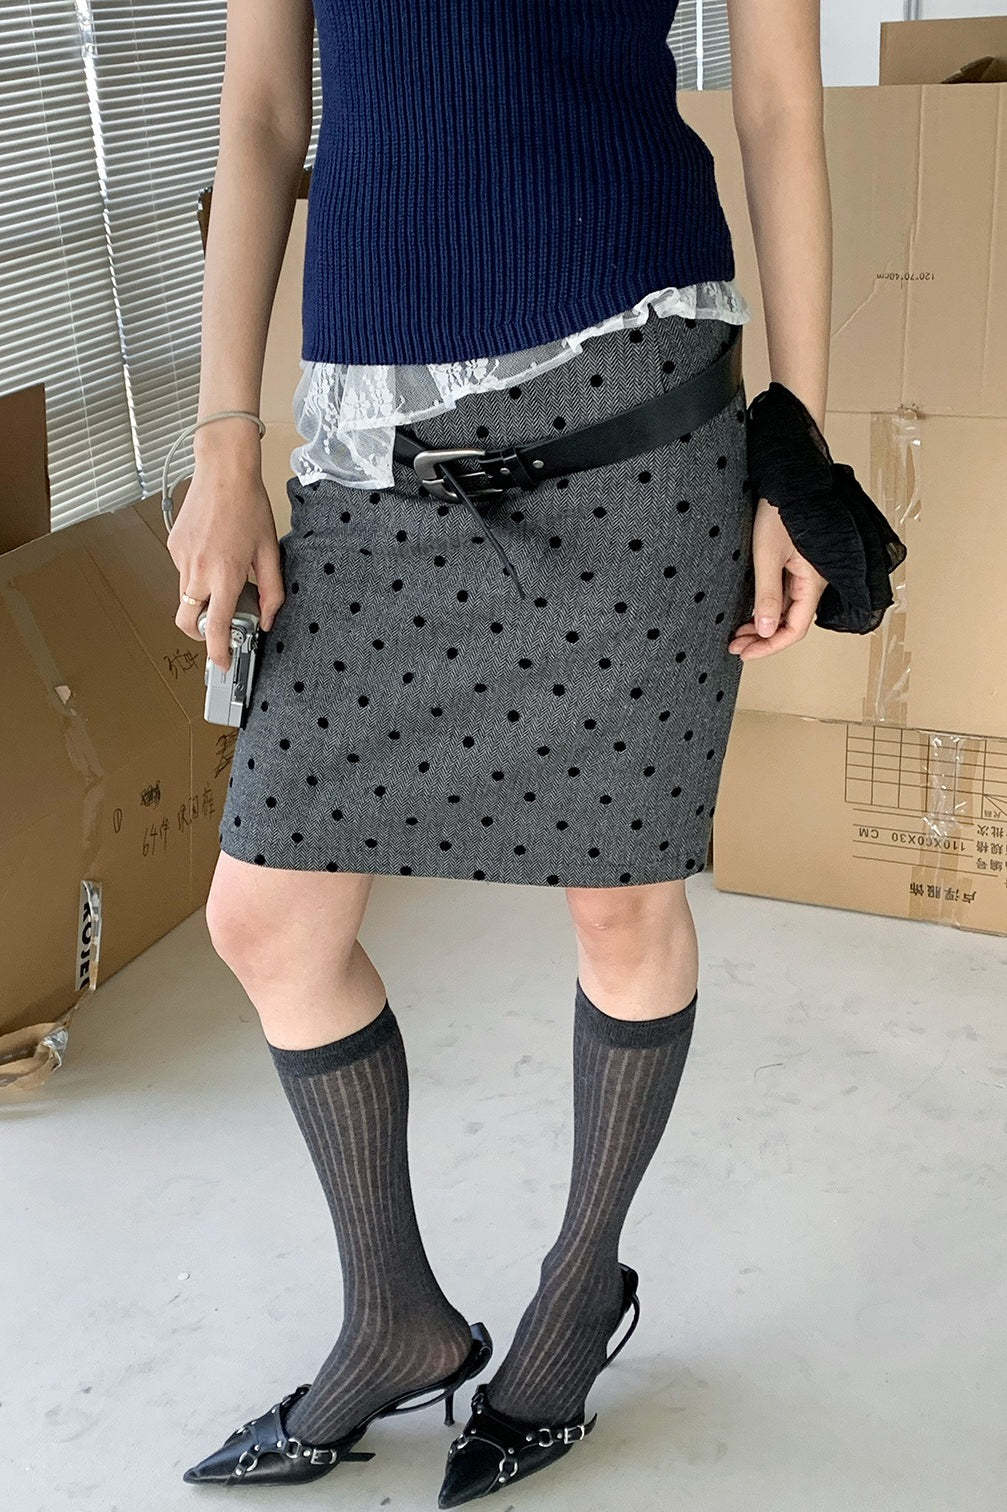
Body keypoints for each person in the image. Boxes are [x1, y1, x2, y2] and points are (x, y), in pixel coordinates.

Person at [171, 0, 839, 1499]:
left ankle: (577, 1294)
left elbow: (780, 109)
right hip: (376, 433)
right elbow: (263, 114)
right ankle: (395, 1319)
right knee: (268, 917)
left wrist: (796, 454)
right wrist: (224, 440)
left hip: (637, 408)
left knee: (620, 905)